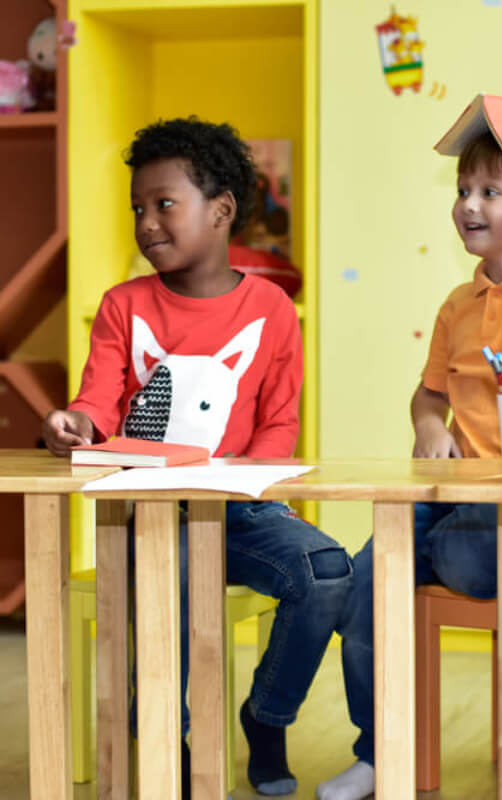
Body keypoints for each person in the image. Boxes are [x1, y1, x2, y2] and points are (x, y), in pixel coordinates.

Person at [41, 117, 351, 797]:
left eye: (164, 204)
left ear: (221, 210)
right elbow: (97, 403)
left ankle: (266, 716)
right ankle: (164, 734)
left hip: (241, 510)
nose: (147, 223)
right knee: (172, 565)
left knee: (328, 572)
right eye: (137, 209)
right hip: (151, 511)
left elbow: (279, 424)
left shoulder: (272, 309)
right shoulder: (123, 306)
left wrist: (244, 492)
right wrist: (74, 423)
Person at [316, 131, 502, 800]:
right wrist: (426, 423)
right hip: (451, 496)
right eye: (463, 190)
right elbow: (429, 393)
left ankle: (448, 551)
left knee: (466, 562)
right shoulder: (456, 304)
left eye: (490, 192)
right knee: (362, 588)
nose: (469, 204)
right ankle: (379, 753)